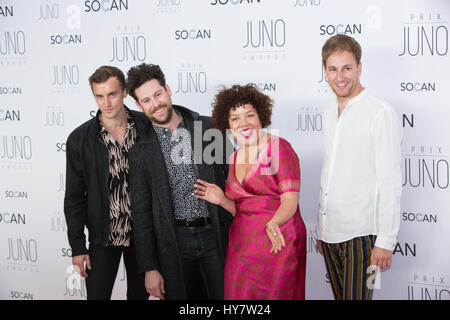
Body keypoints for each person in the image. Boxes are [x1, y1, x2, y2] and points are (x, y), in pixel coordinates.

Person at [126, 63, 233, 300]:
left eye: (158, 94)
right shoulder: (139, 150)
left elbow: (235, 177)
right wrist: (150, 268)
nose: (155, 104)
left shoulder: (206, 127)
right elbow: (141, 213)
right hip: (174, 242)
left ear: (168, 89)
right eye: (146, 101)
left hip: (214, 235)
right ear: (138, 105)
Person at [194, 84, 307, 300]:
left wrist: (274, 222)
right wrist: (222, 200)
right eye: (235, 118)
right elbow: (242, 211)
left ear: (261, 116)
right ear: (228, 124)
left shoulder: (279, 148)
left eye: (249, 115)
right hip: (242, 245)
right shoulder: (233, 158)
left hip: (278, 239)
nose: (243, 123)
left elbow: (290, 201)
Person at [315, 34, 403, 300]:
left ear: (359, 68)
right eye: (333, 69)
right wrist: (322, 229)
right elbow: (330, 173)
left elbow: (390, 181)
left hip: (365, 239)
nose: (340, 77)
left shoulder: (380, 113)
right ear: (324, 71)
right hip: (330, 236)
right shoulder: (330, 112)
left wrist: (385, 242)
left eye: (347, 68)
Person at [64, 66, 149, 300]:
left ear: (124, 92)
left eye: (112, 94)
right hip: (103, 237)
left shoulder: (147, 128)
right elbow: (73, 198)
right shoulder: (79, 139)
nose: (106, 103)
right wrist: (78, 246)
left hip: (143, 237)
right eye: (99, 96)